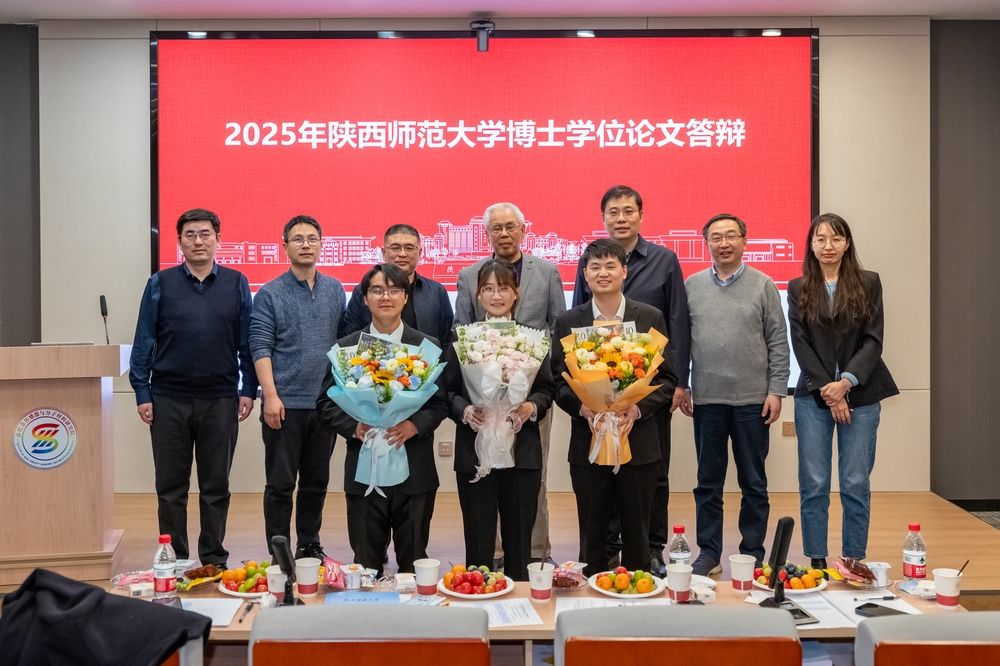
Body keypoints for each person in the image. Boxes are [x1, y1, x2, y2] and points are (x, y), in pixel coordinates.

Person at [572, 184, 690, 576]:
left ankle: (649, 551)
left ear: (640, 214)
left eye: (628, 211)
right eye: (613, 212)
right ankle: (605, 553)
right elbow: (574, 342)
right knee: (600, 485)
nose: (621, 218)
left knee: (651, 477)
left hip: (645, 403)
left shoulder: (663, 264)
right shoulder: (587, 270)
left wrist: (671, 387)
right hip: (594, 408)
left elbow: (677, 324)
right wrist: (586, 398)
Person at [129, 208, 258, 567]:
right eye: (190, 235)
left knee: (216, 486)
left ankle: (213, 557)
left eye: (205, 234)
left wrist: (249, 388)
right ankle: (175, 558)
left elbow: (245, 343)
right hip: (168, 399)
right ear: (180, 242)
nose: (198, 241)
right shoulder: (160, 283)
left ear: (218, 239)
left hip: (221, 399)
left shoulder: (237, 282)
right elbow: (144, 340)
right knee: (171, 487)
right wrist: (142, 392)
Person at [316, 263, 448, 575]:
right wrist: (354, 427)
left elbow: (440, 403)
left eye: (393, 290)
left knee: (414, 562)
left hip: (414, 469)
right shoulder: (346, 348)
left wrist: (414, 425)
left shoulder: (427, 347)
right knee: (366, 563)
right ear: (365, 298)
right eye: (377, 290)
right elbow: (325, 403)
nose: (385, 297)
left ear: (405, 297)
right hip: (364, 471)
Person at [553, 239, 674, 577]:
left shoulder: (649, 317)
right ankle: (592, 591)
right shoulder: (568, 321)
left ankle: (637, 593)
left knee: (637, 532)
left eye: (610, 266)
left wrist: (637, 409)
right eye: (595, 267)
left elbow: (667, 379)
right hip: (589, 444)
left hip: (638, 442)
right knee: (592, 533)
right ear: (585, 274)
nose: (602, 273)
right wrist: (582, 408)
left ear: (625, 271)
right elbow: (558, 382)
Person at [455, 202, 566, 566]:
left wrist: (530, 390)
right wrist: (478, 392)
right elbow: (460, 337)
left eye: (510, 226)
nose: (503, 233)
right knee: (484, 492)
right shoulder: (469, 275)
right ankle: (491, 559)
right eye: (496, 228)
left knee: (531, 482)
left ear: (523, 229)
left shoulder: (546, 272)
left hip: (528, 402)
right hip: (481, 408)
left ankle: (534, 555)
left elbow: (557, 327)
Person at [681, 213, 789, 575]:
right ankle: (709, 553)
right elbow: (683, 341)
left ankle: (753, 554)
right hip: (707, 400)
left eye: (730, 236)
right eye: (716, 237)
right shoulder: (692, 285)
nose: (723, 243)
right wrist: (683, 384)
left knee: (754, 484)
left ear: (744, 240)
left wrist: (776, 390)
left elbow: (778, 341)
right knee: (707, 483)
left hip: (752, 401)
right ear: (707, 243)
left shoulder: (763, 284)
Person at [788, 213, 898, 569]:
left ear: (847, 243)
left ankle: (853, 558)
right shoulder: (798, 287)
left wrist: (846, 382)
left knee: (854, 482)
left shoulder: (868, 282)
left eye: (836, 239)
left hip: (861, 395)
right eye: (820, 239)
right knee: (814, 482)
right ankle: (817, 559)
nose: (828, 246)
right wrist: (828, 389)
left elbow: (873, 340)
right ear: (811, 245)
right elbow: (801, 345)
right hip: (814, 398)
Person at [446, 260, 554, 582]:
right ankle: (477, 597)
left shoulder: (532, 339)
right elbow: (448, 391)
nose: (496, 296)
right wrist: (466, 410)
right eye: (488, 289)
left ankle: (518, 601)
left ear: (516, 293)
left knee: (520, 543)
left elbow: (547, 389)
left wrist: (530, 407)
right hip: (474, 451)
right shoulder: (463, 338)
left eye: (503, 288)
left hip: (522, 452)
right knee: (478, 540)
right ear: (478, 295)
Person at [249, 215, 346, 560]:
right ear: (285, 246)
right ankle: (279, 550)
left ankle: (308, 544)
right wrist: (270, 396)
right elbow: (260, 346)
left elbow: (342, 345)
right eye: (298, 239)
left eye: (312, 238)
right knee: (280, 484)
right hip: (284, 405)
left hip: (324, 405)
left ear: (321, 245)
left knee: (316, 483)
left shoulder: (335, 290)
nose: (306, 244)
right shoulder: (270, 293)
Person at [339, 224, 453, 344]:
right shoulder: (364, 291)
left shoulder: (436, 292)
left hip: (426, 356)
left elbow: (447, 340)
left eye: (409, 248)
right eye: (396, 248)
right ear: (383, 252)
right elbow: (349, 338)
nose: (402, 254)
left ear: (420, 252)